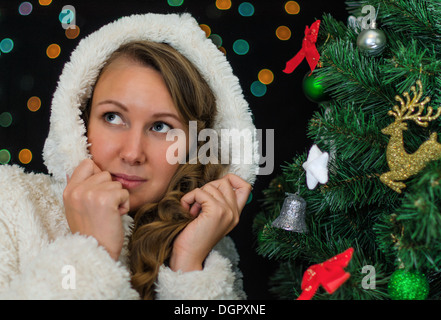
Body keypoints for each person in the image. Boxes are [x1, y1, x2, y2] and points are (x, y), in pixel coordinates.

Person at [0, 13, 259, 299]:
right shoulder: (11, 206)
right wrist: (90, 251)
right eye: (112, 117)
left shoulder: (211, 250)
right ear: (80, 121)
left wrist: (188, 270)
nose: (133, 153)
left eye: (161, 127)